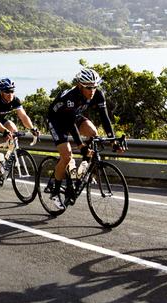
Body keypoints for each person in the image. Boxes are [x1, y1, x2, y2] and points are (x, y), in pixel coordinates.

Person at [46, 68, 124, 210]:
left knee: (94, 132)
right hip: (57, 120)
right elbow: (70, 124)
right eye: (88, 87)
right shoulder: (71, 97)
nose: (92, 90)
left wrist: (113, 140)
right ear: (80, 85)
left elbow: (105, 118)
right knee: (66, 155)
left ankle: (82, 169)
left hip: (74, 117)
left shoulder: (98, 94)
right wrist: (81, 146)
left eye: (94, 86)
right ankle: (55, 192)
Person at [0, 78, 39, 190]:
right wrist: (5, 131)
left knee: (14, 130)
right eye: (7, 91)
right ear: (1, 92)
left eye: (12, 91)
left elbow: (23, 116)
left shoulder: (15, 100)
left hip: (1, 120)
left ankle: (6, 159)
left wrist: (32, 128)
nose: (10, 94)